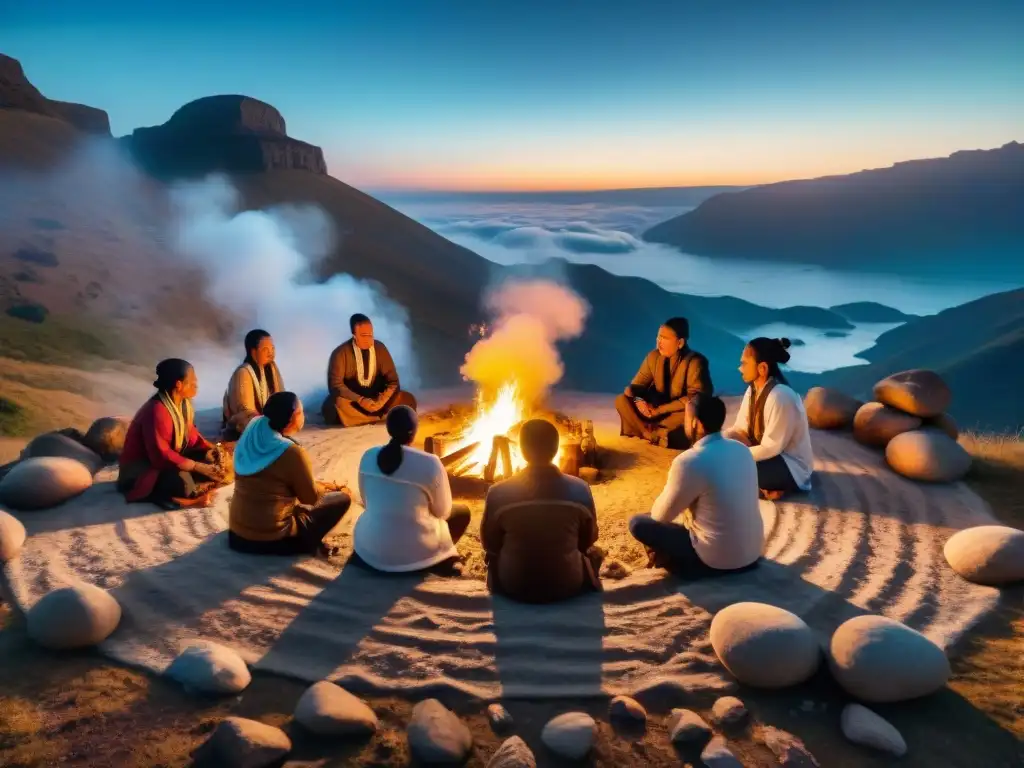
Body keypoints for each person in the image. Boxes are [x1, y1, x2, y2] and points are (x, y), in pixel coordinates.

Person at [629, 396, 763, 578]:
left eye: (686, 418)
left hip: (715, 561)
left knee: (639, 523)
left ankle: (677, 563)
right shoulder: (742, 450)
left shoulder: (689, 461)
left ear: (696, 424)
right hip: (751, 554)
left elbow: (661, 515)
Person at [482, 419, 604, 603]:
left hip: (513, 586)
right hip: (568, 585)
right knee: (595, 552)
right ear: (556, 449)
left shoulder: (497, 493)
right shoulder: (580, 489)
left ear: (522, 451)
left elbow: (490, 544)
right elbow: (589, 539)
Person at [228, 392, 352, 556]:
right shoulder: (291, 452)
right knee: (342, 499)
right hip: (273, 540)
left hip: (237, 535)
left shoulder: (252, 429)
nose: (303, 416)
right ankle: (309, 543)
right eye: (300, 413)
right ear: (291, 418)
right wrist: (329, 488)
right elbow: (310, 498)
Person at [353, 405, 471, 573]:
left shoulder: (368, 456)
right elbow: (443, 512)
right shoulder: (430, 462)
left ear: (389, 429)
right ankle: (439, 561)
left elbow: (366, 502)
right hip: (416, 554)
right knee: (462, 512)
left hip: (371, 551)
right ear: (415, 431)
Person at [118, 359, 224, 508]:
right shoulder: (156, 411)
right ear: (178, 384)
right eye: (192, 381)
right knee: (181, 481)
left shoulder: (183, 404)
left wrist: (211, 450)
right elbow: (160, 456)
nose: (196, 384)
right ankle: (190, 495)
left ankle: (197, 485)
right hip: (144, 470)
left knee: (215, 461)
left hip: (170, 462)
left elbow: (192, 437)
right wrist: (196, 466)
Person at [723, 337, 813, 500]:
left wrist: (735, 456)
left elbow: (772, 447)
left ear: (762, 368)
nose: (740, 368)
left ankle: (775, 486)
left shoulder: (781, 396)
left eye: (744, 363)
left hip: (788, 464)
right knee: (727, 443)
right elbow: (740, 428)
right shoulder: (752, 391)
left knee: (732, 470)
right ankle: (763, 488)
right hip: (766, 455)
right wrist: (723, 444)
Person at [615, 317, 713, 448]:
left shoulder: (695, 362)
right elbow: (635, 386)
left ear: (680, 343)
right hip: (653, 411)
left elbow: (694, 398)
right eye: (658, 337)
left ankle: (654, 432)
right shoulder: (653, 357)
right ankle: (647, 433)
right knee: (621, 400)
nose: (659, 341)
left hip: (675, 413)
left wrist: (660, 410)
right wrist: (639, 400)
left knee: (693, 414)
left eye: (664, 338)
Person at [321, 313, 417, 427]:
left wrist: (381, 401)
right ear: (354, 335)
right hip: (354, 402)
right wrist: (360, 400)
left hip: (379, 400)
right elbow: (335, 385)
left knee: (407, 399)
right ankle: (379, 417)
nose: (368, 339)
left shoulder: (380, 348)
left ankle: (361, 419)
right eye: (364, 335)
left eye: (371, 335)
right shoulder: (340, 353)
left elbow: (393, 382)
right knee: (336, 404)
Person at [221, 329, 285, 440]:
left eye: (273, 349)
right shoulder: (243, 372)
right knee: (248, 421)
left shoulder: (272, 368)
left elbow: (280, 396)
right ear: (253, 352)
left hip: (264, 419)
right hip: (247, 421)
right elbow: (245, 410)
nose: (271, 353)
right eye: (266, 349)